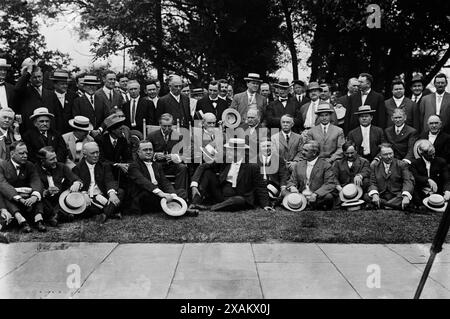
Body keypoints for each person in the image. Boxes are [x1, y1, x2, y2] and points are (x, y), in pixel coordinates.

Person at [190, 138, 272, 212]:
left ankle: (209, 208)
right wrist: (194, 184)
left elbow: (261, 186)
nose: (227, 151)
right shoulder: (225, 159)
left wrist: (266, 205)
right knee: (208, 173)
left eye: (230, 150)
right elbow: (203, 166)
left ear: (240, 151)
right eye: (228, 149)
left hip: (239, 196)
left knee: (239, 200)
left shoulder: (252, 166)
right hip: (221, 192)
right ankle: (194, 204)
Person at [127, 141, 197, 215]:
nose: (148, 152)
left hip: (159, 194)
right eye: (145, 150)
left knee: (182, 192)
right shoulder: (134, 166)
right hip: (145, 194)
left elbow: (164, 182)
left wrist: (173, 194)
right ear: (138, 152)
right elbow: (144, 182)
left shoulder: (157, 165)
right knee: (150, 196)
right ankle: (180, 209)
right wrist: (161, 193)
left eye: (150, 150)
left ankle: (174, 206)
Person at [72, 142, 123, 223]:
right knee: (82, 205)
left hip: (102, 195)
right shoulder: (77, 168)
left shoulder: (104, 165)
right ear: (85, 155)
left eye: (97, 152)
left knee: (120, 192)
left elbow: (109, 179)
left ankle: (104, 215)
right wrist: (83, 194)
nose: (96, 155)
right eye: (92, 153)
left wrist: (112, 193)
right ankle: (110, 212)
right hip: (88, 198)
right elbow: (74, 186)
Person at [0, 141, 45, 233]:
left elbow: (36, 180)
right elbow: (2, 184)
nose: (25, 156)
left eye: (26, 153)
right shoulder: (2, 166)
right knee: (4, 193)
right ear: (12, 154)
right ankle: (22, 221)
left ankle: (38, 220)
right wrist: (19, 198)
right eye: (21, 153)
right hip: (12, 200)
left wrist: (34, 196)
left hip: (27, 198)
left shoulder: (29, 165)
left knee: (38, 192)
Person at [35, 146, 83, 226]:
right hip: (45, 200)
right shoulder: (35, 169)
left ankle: (55, 216)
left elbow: (76, 178)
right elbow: (35, 188)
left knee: (67, 197)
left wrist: (76, 183)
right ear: (42, 161)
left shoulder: (61, 166)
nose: (55, 161)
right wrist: (46, 192)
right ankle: (59, 215)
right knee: (39, 201)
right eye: (51, 159)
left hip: (59, 199)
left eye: (55, 158)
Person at [284, 140, 336, 210]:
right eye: (302, 150)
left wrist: (316, 194)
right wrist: (292, 187)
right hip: (300, 194)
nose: (302, 152)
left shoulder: (326, 165)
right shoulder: (298, 165)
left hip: (316, 196)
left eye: (306, 150)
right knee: (283, 192)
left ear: (314, 153)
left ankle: (305, 204)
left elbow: (330, 184)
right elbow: (292, 181)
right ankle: (305, 203)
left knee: (328, 197)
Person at [147, 113, 189, 191]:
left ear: (172, 125)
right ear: (160, 124)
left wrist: (174, 156)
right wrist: (155, 155)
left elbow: (184, 155)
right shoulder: (152, 136)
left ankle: (180, 194)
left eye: (169, 126)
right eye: (164, 126)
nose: (167, 129)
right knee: (151, 169)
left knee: (183, 168)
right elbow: (145, 152)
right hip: (157, 165)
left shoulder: (178, 136)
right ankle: (157, 194)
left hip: (172, 165)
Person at [14, 61, 60, 132]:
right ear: (30, 78)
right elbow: (17, 88)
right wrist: (28, 72)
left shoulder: (51, 94)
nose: (38, 79)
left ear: (42, 76)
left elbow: (57, 114)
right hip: (30, 132)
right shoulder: (25, 92)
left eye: (39, 76)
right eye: (34, 77)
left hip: (50, 132)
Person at [366, 143, 414, 209]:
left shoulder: (401, 164)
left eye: (391, 153)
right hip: (382, 195)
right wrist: (375, 194)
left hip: (397, 195)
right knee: (366, 196)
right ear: (380, 155)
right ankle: (390, 205)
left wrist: (406, 196)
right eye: (385, 154)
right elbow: (372, 182)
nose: (389, 156)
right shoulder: (375, 166)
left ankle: (382, 205)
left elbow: (408, 180)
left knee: (406, 195)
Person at [409, 140, 450, 207]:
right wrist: (428, 180)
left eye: (434, 154)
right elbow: (415, 177)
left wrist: (447, 191)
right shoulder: (414, 164)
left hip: (438, 194)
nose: (433, 157)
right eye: (430, 155)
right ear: (422, 154)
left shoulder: (441, 162)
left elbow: (447, 179)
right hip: (421, 193)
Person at [50, 70, 78, 134]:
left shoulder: (74, 96)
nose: (65, 86)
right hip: (54, 133)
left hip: (71, 132)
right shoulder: (48, 96)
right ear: (55, 84)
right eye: (62, 84)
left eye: (66, 84)